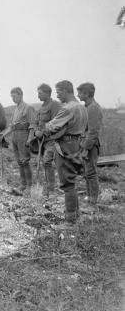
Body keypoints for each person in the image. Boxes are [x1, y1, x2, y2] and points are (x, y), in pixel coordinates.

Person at [44, 80, 88, 226]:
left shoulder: (68, 108)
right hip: (76, 144)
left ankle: (70, 221)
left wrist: (43, 128)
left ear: (65, 91)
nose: (57, 96)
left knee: (67, 183)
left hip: (65, 146)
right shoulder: (81, 107)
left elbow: (51, 126)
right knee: (72, 181)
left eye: (58, 92)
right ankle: (76, 214)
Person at [0, 87, 36, 192]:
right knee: (19, 162)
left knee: (25, 161)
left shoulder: (28, 108)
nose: (13, 98)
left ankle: (29, 186)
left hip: (24, 135)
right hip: (15, 136)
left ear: (20, 95)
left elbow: (32, 125)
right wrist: (3, 135)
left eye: (14, 96)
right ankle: (22, 184)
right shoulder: (16, 109)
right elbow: (11, 126)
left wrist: (30, 139)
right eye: (11, 96)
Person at [29, 83, 61, 197]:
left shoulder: (55, 106)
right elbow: (37, 122)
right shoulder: (41, 107)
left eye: (40, 93)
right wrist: (36, 131)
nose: (38, 96)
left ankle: (51, 190)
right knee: (44, 163)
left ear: (48, 93)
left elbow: (56, 123)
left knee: (47, 162)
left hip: (52, 139)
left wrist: (43, 132)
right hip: (41, 141)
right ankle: (47, 189)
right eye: (38, 93)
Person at [77, 82, 103, 206]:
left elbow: (93, 131)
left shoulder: (93, 108)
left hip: (90, 146)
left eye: (80, 93)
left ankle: (93, 201)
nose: (78, 95)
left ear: (86, 94)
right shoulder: (87, 107)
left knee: (91, 173)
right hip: (85, 144)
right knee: (87, 173)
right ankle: (89, 196)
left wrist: (86, 148)